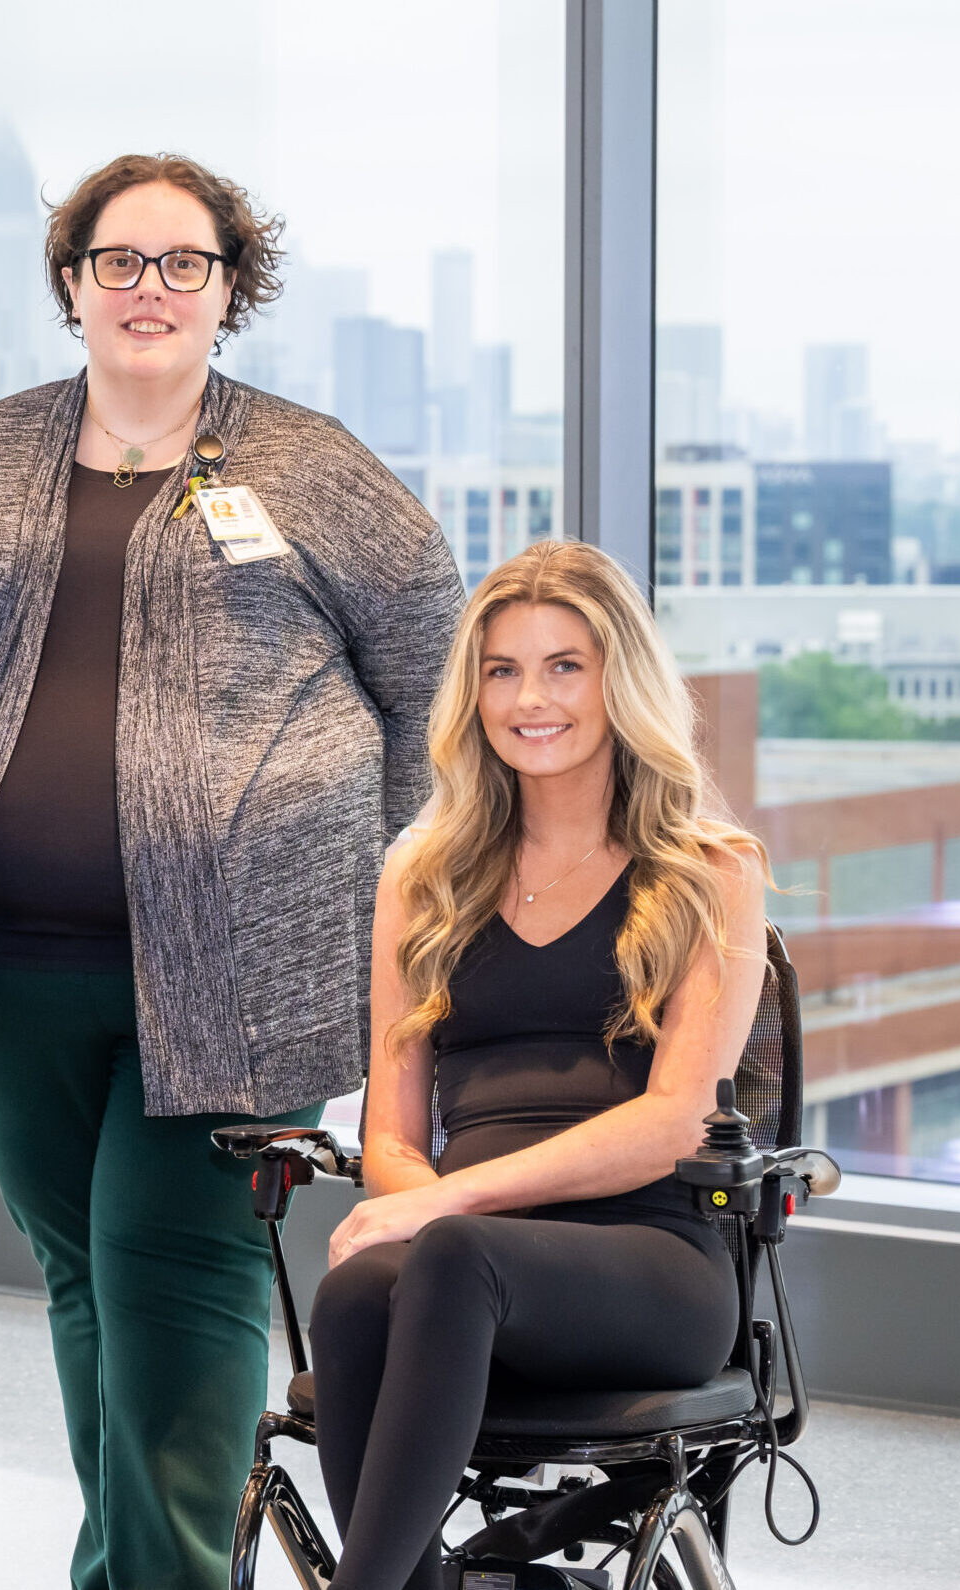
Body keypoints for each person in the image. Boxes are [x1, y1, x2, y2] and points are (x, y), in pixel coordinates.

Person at [0, 152, 468, 1590]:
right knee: (86, 1271)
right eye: (121, 262)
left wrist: (308, 849)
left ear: (230, 288)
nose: (151, 290)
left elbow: (433, 683)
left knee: (174, 1269)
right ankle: (131, 1563)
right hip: (11, 964)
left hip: (244, 970)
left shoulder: (313, 467)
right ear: (72, 283)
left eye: (184, 263)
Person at [307, 539, 769, 1590]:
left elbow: (672, 1123)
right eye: (501, 670)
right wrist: (430, 1212)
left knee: (445, 1257)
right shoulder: (421, 875)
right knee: (351, 1298)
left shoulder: (709, 870)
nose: (531, 699)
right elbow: (389, 1133)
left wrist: (450, 1212)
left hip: (649, 1260)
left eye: (566, 665)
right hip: (463, 1262)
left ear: (622, 680)